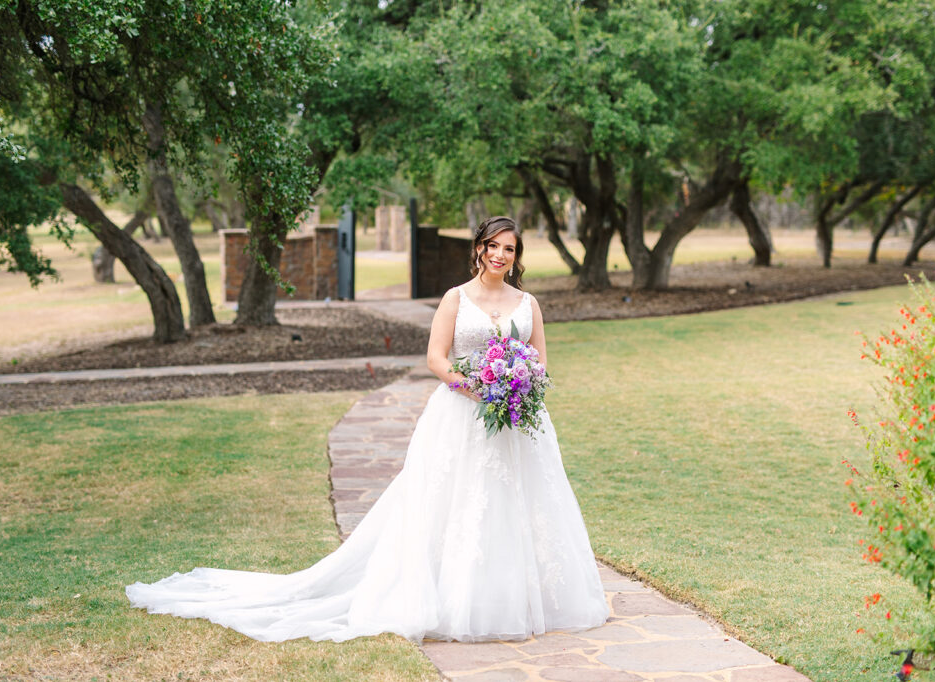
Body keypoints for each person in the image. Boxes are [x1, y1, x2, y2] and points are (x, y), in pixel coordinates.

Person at [126, 216, 609, 643]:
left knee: (518, 504)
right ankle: (456, 597)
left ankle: (518, 595)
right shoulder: (455, 299)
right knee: (457, 504)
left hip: (519, 418)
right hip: (463, 414)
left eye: (510, 248)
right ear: (479, 249)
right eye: (494, 246)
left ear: (516, 256)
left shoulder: (528, 303)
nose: (501, 255)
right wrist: (477, 386)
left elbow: (541, 359)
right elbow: (436, 358)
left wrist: (522, 381)